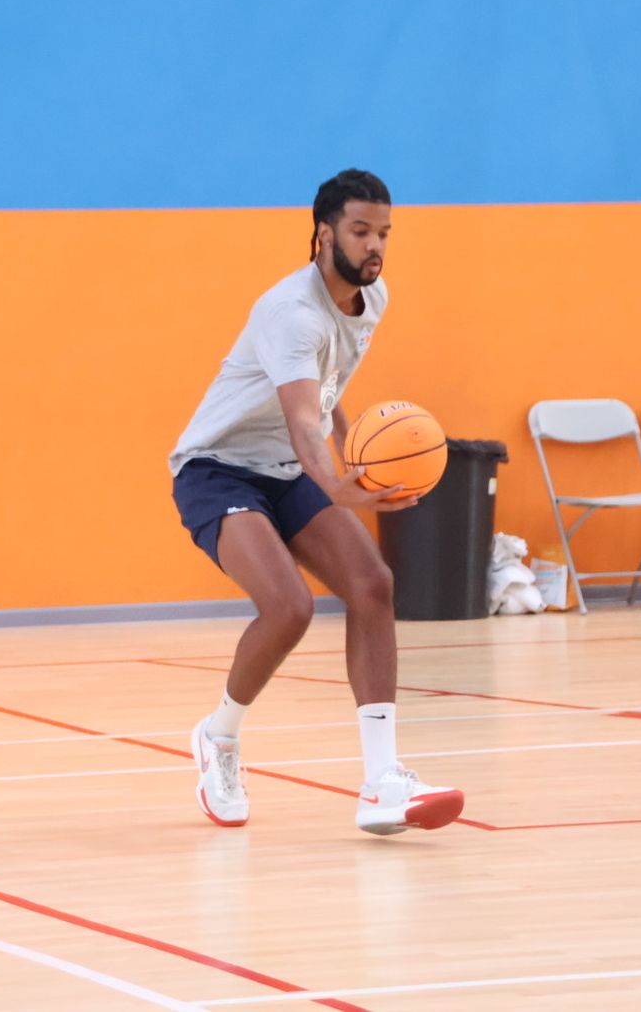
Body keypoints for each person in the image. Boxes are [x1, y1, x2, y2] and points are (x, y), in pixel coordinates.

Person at [169, 169, 464, 836]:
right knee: (290, 605)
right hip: (218, 470)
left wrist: (354, 457)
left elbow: (326, 395)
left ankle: (382, 782)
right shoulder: (291, 313)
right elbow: (302, 418)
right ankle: (219, 735)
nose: (375, 245)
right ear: (324, 234)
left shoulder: (373, 298)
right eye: (360, 231)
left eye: (384, 232)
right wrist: (334, 485)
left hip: (285, 468)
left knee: (372, 584)